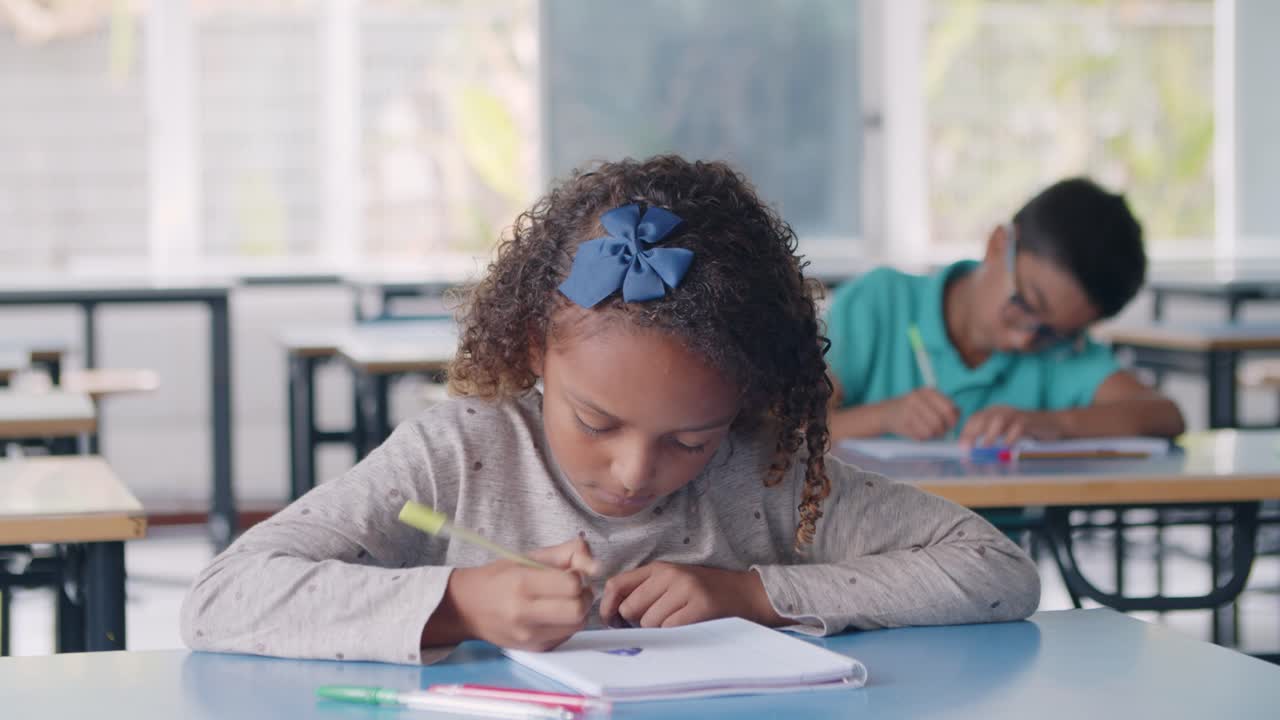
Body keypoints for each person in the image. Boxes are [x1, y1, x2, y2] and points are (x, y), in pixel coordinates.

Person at [181, 156, 1040, 665]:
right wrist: (460, 604)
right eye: (597, 423)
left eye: (691, 438)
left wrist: (752, 593)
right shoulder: (458, 457)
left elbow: (998, 574)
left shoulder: (767, 474)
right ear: (530, 350)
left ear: (744, 404)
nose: (636, 472)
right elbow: (219, 599)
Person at [826, 178, 1185, 446]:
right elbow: (787, 433)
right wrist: (884, 416)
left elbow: (1164, 414)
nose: (1027, 338)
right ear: (999, 244)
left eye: (1053, 333)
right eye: (1026, 303)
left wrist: (1052, 423)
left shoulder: (1060, 354)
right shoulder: (879, 302)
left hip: (989, 545)